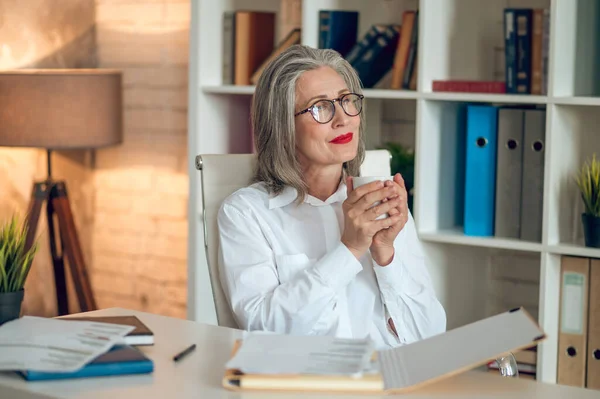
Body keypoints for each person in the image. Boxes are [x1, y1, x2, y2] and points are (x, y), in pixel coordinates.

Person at [217, 44, 446, 349]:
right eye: (320, 107)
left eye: (346, 101)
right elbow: (264, 329)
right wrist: (349, 248)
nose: (343, 119)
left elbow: (429, 337)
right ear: (283, 125)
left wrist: (386, 254)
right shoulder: (246, 213)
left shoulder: (380, 201)